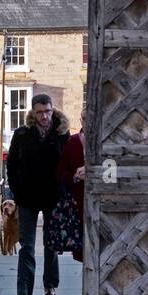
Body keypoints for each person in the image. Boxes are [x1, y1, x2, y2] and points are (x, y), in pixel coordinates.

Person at [3, 94, 69, 295]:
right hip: (28, 198)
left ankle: (50, 286)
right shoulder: (22, 135)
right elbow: (11, 164)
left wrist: (64, 191)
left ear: (53, 110)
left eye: (48, 111)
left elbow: (68, 163)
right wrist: (17, 189)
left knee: (51, 244)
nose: (45, 116)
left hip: (52, 197)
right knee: (27, 246)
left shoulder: (62, 134)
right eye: (40, 112)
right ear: (33, 112)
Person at [57, 105, 85, 265]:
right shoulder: (72, 142)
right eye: (85, 119)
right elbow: (60, 172)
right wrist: (74, 176)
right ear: (81, 120)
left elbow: (112, 171)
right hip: (77, 202)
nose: (88, 122)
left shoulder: (106, 141)